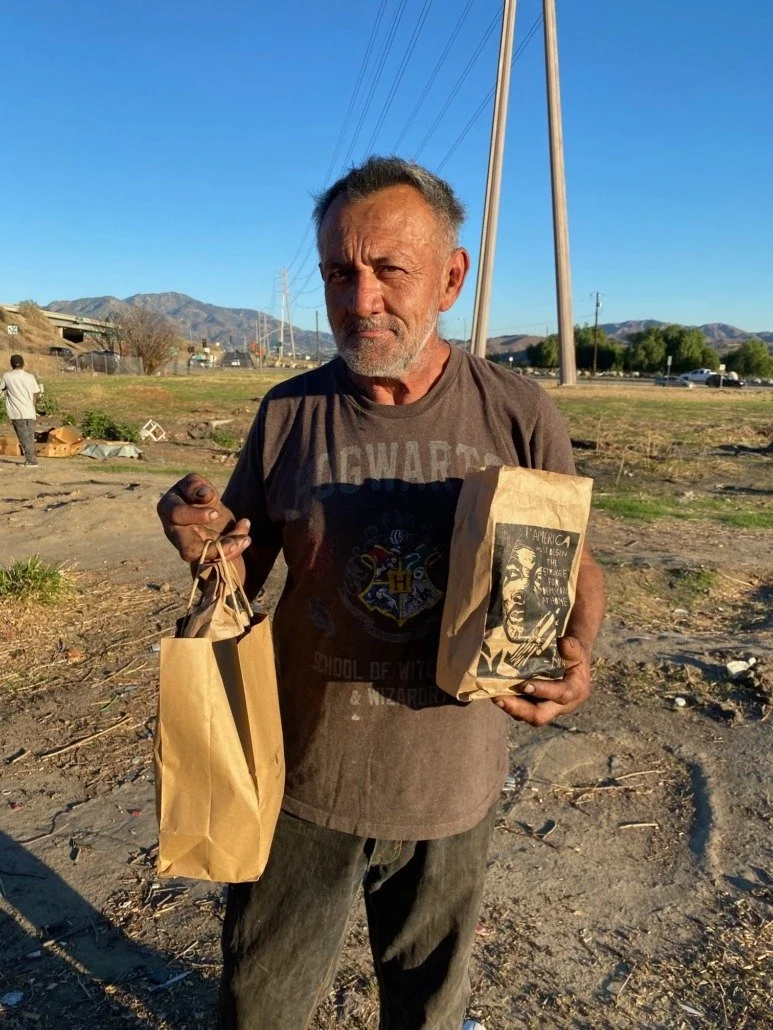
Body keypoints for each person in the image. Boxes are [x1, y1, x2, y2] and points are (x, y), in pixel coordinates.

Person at [157, 157, 605, 1030]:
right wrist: (204, 544)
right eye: (337, 271)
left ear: (449, 276)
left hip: (450, 783)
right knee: (262, 1002)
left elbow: (572, 560)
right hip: (300, 776)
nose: (358, 300)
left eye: (388, 269)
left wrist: (577, 652)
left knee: (426, 1005)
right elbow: (245, 561)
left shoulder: (516, 412)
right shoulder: (289, 413)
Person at [1, 354, 40, 467]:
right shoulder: (30, 376)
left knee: (23, 437)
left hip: (16, 412)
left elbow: (1, 388)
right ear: (23, 363)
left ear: (11, 364)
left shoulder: (7, 376)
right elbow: (35, 393)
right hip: (29, 411)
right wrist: (32, 405)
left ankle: (31, 461)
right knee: (30, 437)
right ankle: (32, 459)